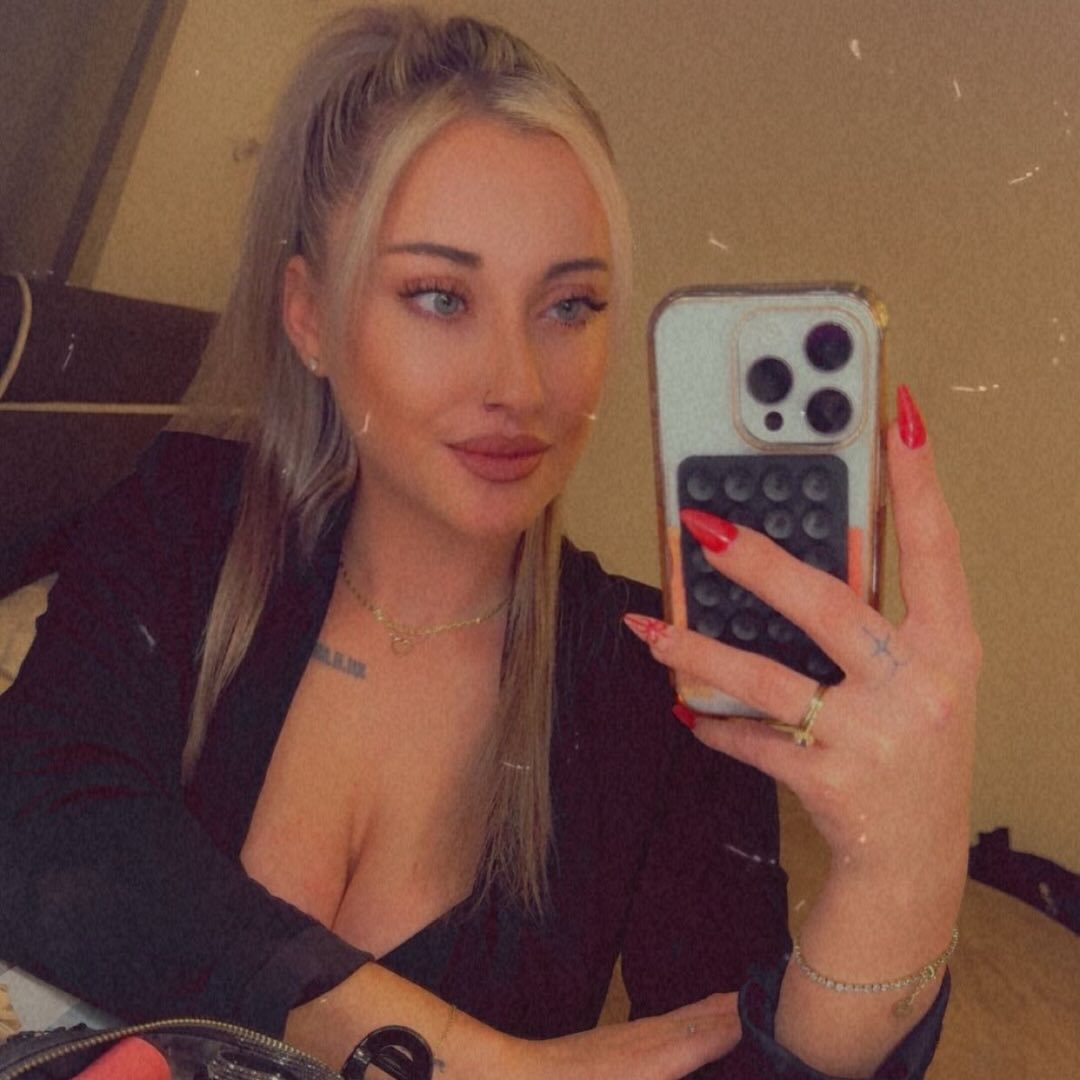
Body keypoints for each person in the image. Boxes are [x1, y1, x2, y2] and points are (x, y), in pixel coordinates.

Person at [0, 6, 979, 1078]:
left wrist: (902, 883)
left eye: (570, 306)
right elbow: (42, 826)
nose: (518, 384)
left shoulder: (651, 675)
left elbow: (715, 1051)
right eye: (439, 296)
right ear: (310, 316)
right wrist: (480, 1061)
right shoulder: (187, 520)